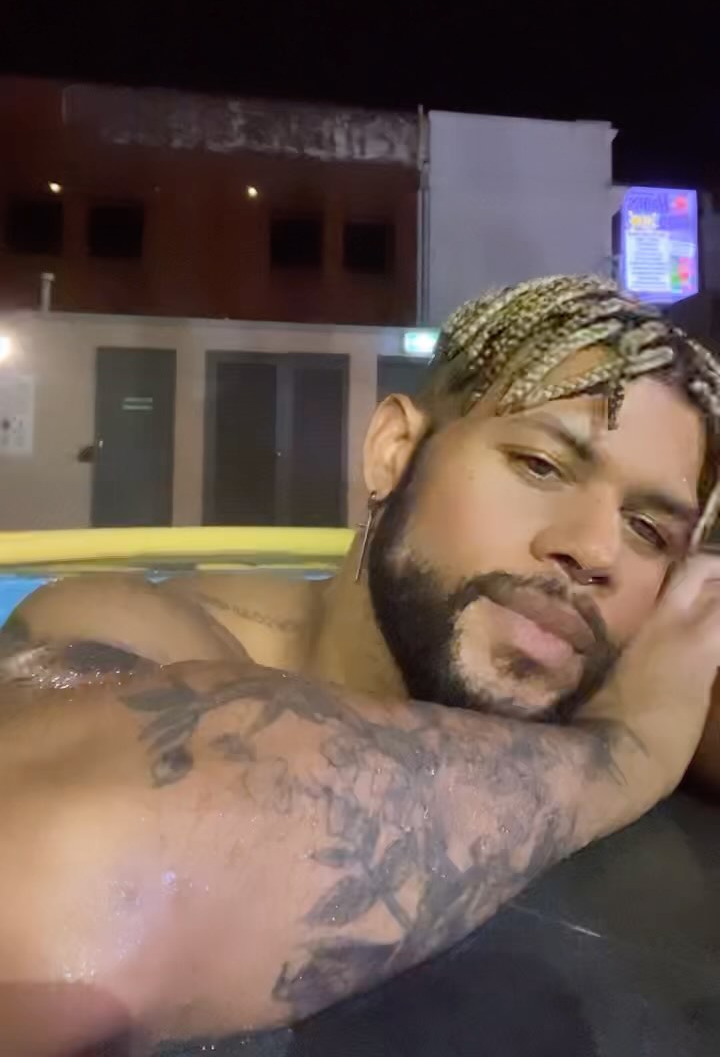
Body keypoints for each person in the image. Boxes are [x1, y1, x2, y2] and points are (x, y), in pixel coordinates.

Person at [2, 274, 720, 1055]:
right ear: (394, 452)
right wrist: (621, 754)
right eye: (540, 466)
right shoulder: (135, 626)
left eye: (648, 530)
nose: (595, 550)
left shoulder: (630, 677)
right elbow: (61, 875)